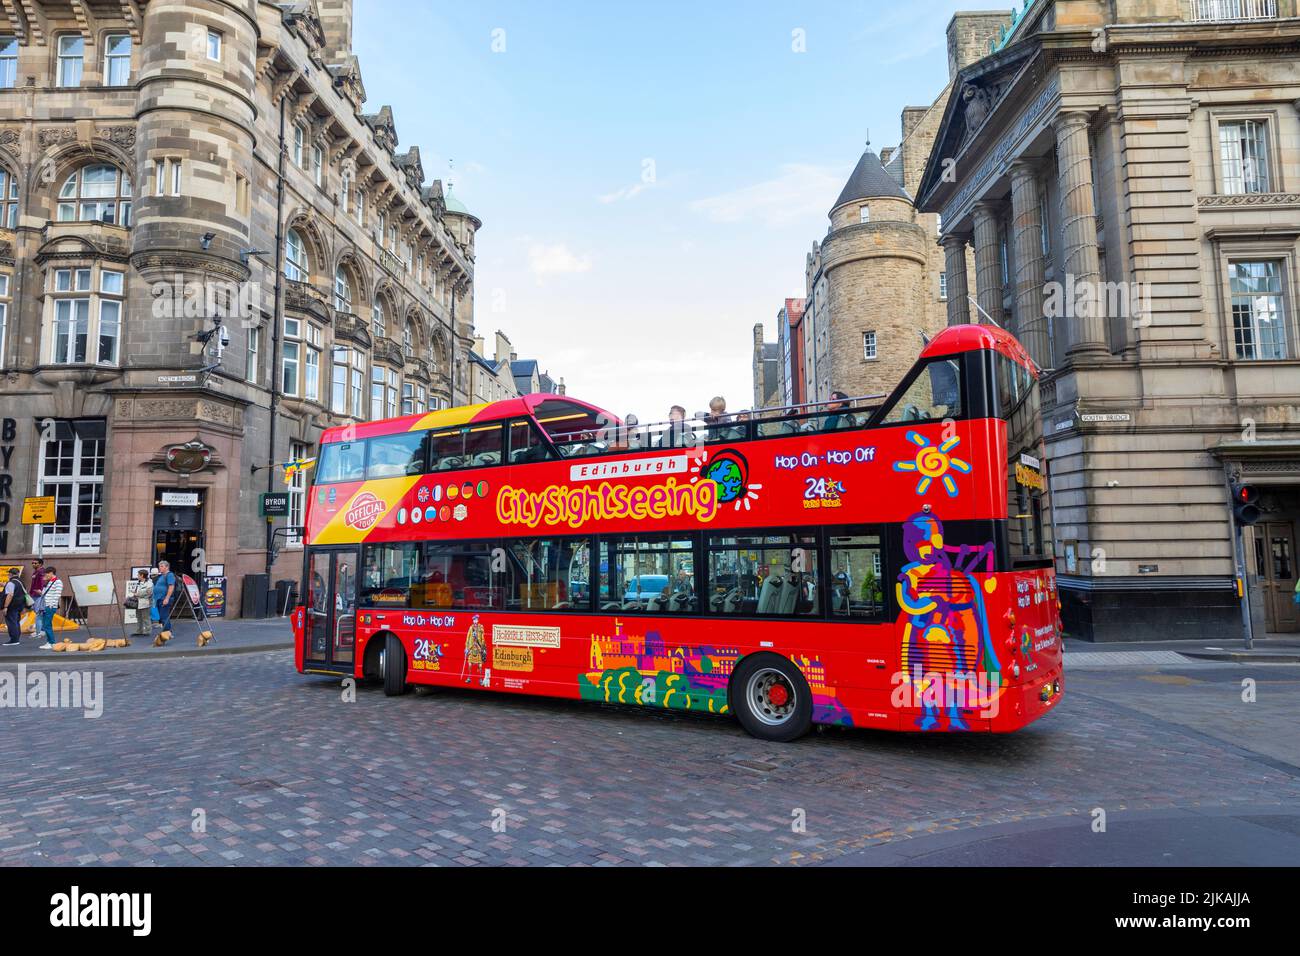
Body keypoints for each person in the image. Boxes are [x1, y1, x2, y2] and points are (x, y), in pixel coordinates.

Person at [36, 566, 63, 650]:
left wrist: (51, 605)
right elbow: (44, 594)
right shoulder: (49, 582)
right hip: (46, 605)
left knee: (47, 625)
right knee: (46, 624)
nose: (45, 575)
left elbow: (58, 594)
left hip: (50, 606)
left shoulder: (58, 582)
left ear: (51, 573)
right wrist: (44, 584)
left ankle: (51, 642)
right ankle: (49, 642)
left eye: (47, 573)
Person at [153, 559, 178, 644]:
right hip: (160, 599)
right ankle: (168, 632)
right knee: (163, 616)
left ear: (167, 567)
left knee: (164, 616)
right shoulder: (161, 576)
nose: (160, 568)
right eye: (159, 566)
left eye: (162, 566)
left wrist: (167, 598)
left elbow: (171, 587)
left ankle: (167, 633)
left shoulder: (169, 575)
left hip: (164, 599)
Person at [3, 568, 29, 646]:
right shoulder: (21, 582)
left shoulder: (11, 583)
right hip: (19, 605)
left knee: (11, 622)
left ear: (10, 574)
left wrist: (5, 607)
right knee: (16, 622)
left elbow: (10, 595)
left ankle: (14, 640)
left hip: (12, 606)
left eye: (8, 574)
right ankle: (16, 638)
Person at [129, 569, 154, 638]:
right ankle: (139, 631)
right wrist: (135, 593)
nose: (137, 576)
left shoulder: (149, 583)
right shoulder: (138, 583)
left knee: (146, 618)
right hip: (138, 603)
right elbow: (140, 592)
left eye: (138, 575)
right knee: (139, 617)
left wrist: (138, 594)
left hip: (145, 603)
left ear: (142, 575)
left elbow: (149, 592)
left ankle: (147, 631)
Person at [29, 559, 48, 643]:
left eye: (35, 563)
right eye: (32, 563)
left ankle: (38, 632)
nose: (33, 564)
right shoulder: (36, 572)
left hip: (38, 595)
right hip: (35, 594)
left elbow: (42, 582)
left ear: (40, 564)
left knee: (39, 613)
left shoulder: (41, 572)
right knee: (41, 613)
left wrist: (40, 591)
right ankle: (41, 631)